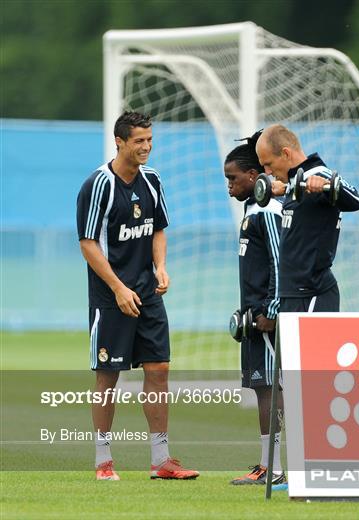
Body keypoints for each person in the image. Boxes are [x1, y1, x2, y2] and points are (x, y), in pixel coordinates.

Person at [76, 111, 199, 481]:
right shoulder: (99, 185)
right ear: (119, 141)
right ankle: (103, 462)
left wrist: (160, 267)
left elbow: (158, 229)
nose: (146, 147)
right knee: (108, 376)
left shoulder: (153, 180)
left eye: (149, 140)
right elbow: (88, 243)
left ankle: (161, 460)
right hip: (111, 296)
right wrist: (117, 287)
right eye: (139, 141)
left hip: (147, 293)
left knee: (159, 369)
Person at [224, 132, 286, 486]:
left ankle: (273, 468)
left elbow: (281, 264)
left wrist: (272, 311)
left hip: (266, 318)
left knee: (269, 388)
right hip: (253, 316)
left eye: (233, 178)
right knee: (263, 388)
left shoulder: (268, 209)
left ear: (254, 175)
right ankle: (268, 463)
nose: (230, 186)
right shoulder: (252, 209)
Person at [255, 124, 359, 313]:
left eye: (269, 164)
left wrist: (327, 186)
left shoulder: (320, 175)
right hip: (290, 294)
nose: (268, 172)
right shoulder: (294, 183)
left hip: (312, 295)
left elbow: (355, 200)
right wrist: (284, 190)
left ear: (286, 154)